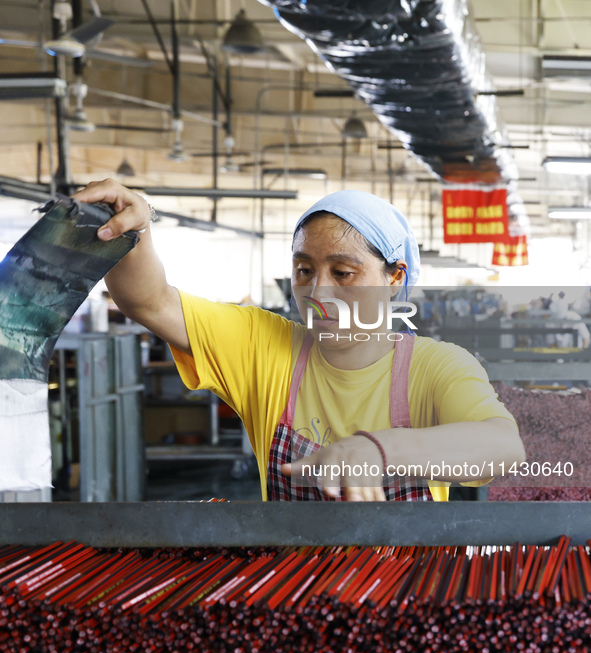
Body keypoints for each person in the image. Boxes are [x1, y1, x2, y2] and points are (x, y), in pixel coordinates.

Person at [74, 181, 525, 502]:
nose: (318, 291)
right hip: (296, 600)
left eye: (344, 273)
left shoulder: (435, 367)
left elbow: (502, 448)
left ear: (394, 279)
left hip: (405, 603)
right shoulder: (264, 347)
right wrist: (130, 232)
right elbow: (149, 303)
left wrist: (378, 450)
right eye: (304, 270)